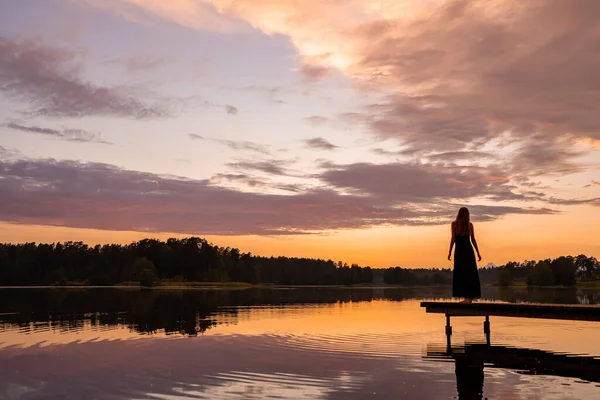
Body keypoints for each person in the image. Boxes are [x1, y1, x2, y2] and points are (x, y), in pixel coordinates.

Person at [448, 207, 481, 303]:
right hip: (467, 250)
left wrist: (449, 252)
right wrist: (478, 253)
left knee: (462, 273)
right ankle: (469, 297)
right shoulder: (468, 225)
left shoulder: (455, 224)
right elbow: (473, 240)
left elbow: (453, 239)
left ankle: (468, 298)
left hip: (460, 251)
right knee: (470, 273)